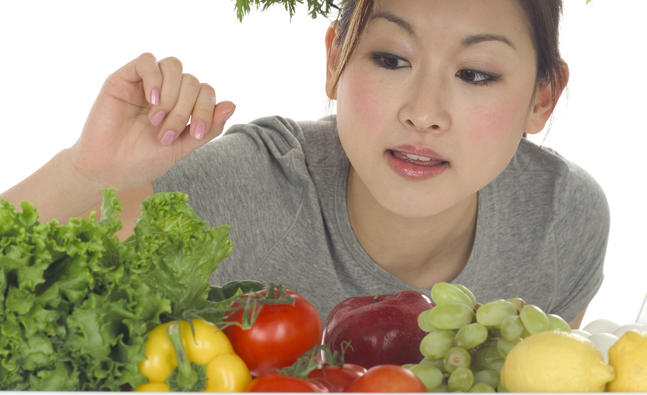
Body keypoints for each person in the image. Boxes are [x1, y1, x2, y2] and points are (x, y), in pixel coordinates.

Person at [1, 0, 608, 327]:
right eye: (391, 59)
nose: (424, 114)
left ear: (541, 97)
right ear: (335, 59)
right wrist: (85, 173)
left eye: (476, 74)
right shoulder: (239, 190)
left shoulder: (563, 222)